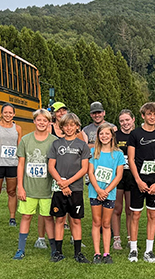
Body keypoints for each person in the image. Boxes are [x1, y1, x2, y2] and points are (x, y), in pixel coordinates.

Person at [13, 108, 57, 260]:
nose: (42, 123)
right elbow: (20, 164)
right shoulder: (26, 140)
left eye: (45, 120)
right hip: (29, 187)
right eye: (39, 120)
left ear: (49, 122)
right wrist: (20, 186)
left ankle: (53, 250)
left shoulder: (53, 142)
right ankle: (20, 249)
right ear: (34, 121)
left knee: (48, 217)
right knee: (26, 216)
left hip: (47, 188)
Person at [127, 102, 155, 264]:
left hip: (154, 183)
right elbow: (130, 159)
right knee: (135, 215)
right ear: (143, 115)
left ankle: (149, 251)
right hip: (138, 181)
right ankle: (133, 249)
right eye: (149, 114)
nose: (152, 117)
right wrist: (138, 180)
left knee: (152, 215)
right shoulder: (135, 134)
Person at [47, 112, 91, 263]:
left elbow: (84, 168)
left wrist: (68, 182)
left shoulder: (82, 145)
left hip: (76, 188)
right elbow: (51, 166)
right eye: (66, 125)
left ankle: (78, 252)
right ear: (62, 127)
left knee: (76, 220)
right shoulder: (56, 144)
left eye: (72, 125)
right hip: (59, 188)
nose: (69, 128)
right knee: (59, 219)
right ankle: (58, 252)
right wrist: (61, 182)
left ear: (77, 127)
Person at [88, 124, 125, 264]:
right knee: (96, 222)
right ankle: (97, 253)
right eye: (101, 133)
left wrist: (106, 191)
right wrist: (98, 189)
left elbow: (119, 175)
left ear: (112, 136)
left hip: (109, 193)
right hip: (95, 192)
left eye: (107, 134)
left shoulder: (118, 154)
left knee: (106, 223)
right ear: (98, 136)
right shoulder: (93, 152)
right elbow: (90, 172)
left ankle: (106, 253)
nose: (104, 136)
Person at [0, 103, 22, 228]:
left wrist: (20, 165)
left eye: (10, 113)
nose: (8, 115)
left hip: (12, 164)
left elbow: (20, 148)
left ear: (14, 114)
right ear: (1, 113)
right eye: (5, 112)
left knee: (12, 192)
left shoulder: (17, 128)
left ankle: (12, 218)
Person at [112, 109, 137, 251]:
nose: (125, 123)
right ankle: (116, 239)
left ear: (133, 120)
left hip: (132, 176)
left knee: (130, 209)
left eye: (127, 120)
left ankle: (129, 238)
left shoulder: (138, 135)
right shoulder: (115, 136)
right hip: (118, 176)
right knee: (117, 208)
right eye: (122, 121)